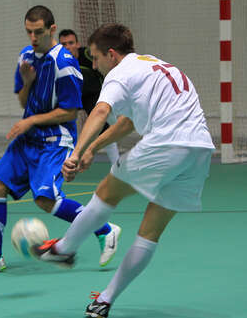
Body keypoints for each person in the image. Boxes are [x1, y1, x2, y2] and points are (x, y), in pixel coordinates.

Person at [31, 23, 215, 317]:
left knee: (106, 193)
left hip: (166, 144)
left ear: (112, 54)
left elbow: (101, 111)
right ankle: (103, 300)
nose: (94, 64)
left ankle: (65, 249)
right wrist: (92, 149)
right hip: (199, 151)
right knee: (149, 233)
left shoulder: (119, 73)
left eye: (95, 57)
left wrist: (76, 152)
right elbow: (126, 124)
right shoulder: (154, 66)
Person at [0, 6, 121, 276]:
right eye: (29, 31)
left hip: (55, 140)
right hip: (28, 140)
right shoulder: (26, 57)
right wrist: (27, 82)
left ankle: (104, 228)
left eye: (38, 32)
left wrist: (31, 121)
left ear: (51, 30)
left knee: (45, 199)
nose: (33, 37)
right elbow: (24, 101)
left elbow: (70, 111)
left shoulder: (65, 63)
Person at [58, 29, 120, 164]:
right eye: (64, 44)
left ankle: (117, 164)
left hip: (94, 94)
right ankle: (63, 161)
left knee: (106, 126)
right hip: (72, 97)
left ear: (78, 44)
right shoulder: (57, 62)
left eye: (71, 43)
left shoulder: (88, 54)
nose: (68, 47)